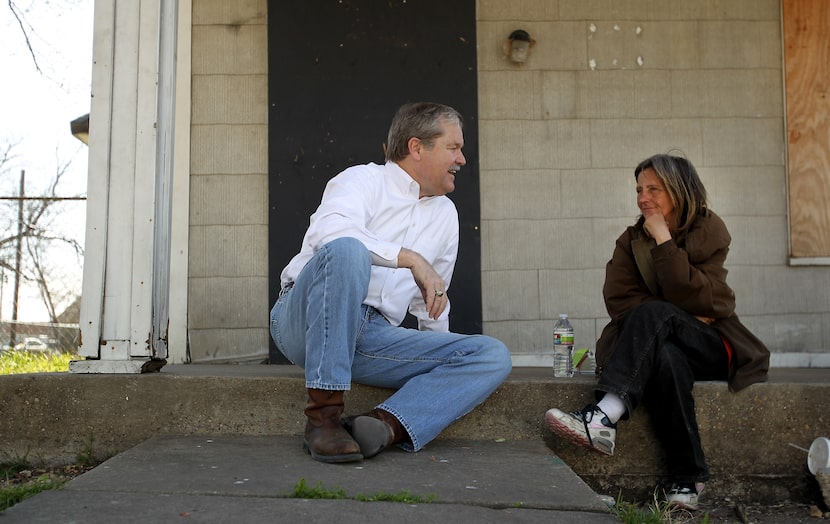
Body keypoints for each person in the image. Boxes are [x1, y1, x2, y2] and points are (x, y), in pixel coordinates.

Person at [270, 102, 512, 464]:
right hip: (305, 319)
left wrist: (440, 363)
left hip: (372, 337)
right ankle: (323, 419)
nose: (462, 159)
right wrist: (410, 258)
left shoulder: (446, 214)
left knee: (491, 355)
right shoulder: (362, 180)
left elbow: (431, 300)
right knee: (347, 250)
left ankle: (383, 425)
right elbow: (329, 234)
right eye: (453, 147)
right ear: (417, 148)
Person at [544, 153, 769, 510]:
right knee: (665, 358)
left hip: (711, 347)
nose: (643, 197)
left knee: (654, 314)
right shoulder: (631, 241)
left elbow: (717, 302)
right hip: (664, 347)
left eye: (653, 189)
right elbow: (619, 301)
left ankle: (603, 416)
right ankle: (688, 481)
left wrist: (664, 241)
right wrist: (682, 308)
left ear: (679, 190)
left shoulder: (710, 231)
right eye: (639, 190)